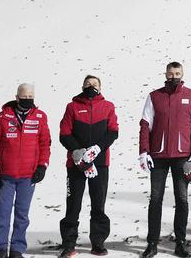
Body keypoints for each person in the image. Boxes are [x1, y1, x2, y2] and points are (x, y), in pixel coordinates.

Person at [138, 62, 191, 258]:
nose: (173, 76)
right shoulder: (154, 96)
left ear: (182, 74)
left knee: (182, 200)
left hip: (182, 156)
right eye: (170, 74)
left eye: (177, 73)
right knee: (155, 200)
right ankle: (152, 244)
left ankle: (181, 243)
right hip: (158, 157)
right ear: (165, 75)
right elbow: (144, 125)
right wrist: (144, 152)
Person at [0, 83, 51, 258]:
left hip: (28, 177)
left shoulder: (40, 117)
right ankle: (0, 249)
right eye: (24, 97)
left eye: (31, 97)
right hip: (5, 177)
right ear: (17, 97)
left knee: (22, 215)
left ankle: (16, 249)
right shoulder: (2, 118)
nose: (28, 100)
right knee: (3, 215)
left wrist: (42, 166)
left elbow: (45, 144)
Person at [58, 76, 119, 258]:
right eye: (88, 84)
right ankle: (69, 244)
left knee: (98, 204)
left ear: (100, 87)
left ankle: (98, 243)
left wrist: (98, 148)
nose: (91, 86)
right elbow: (64, 133)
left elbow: (113, 131)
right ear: (82, 86)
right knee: (73, 205)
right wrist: (76, 151)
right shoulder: (72, 107)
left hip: (100, 164)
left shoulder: (108, 106)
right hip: (76, 164)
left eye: (95, 84)